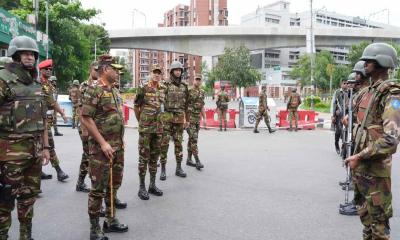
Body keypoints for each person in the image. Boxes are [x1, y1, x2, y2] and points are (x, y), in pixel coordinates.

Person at [345, 43, 400, 240]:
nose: (364, 64)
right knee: (367, 224)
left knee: (379, 229)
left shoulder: (392, 93)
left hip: (375, 173)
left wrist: (359, 156)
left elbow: (391, 140)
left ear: (382, 62)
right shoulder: (370, 91)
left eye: (369, 61)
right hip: (362, 170)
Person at [0, 35, 50, 240]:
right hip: (9, 155)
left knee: (28, 198)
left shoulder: (36, 83)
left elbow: (43, 119)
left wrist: (46, 147)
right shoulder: (3, 80)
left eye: (32, 54)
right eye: (25, 53)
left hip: (34, 152)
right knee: (4, 202)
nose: (30, 57)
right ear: (15, 55)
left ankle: (25, 236)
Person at [80, 54, 128, 239]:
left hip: (117, 147)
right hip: (101, 149)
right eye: (115, 69)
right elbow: (86, 118)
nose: (118, 72)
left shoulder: (114, 91)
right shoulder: (95, 90)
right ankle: (94, 229)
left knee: (113, 185)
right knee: (98, 188)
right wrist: (103, 142)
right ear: (105, 70)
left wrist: (120, 140)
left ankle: (110, 220)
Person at [339, 61, 369, 217]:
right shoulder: (361, 93)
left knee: (366, 178)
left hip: (366, 142)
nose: (355, 78)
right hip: (357, 136)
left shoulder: (369, 93)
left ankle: (360, 204)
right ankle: (357, 203)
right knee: (359, 174)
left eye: (358, 74)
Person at [134, 64, 165, 200]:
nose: (157, 75)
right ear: (151, 73)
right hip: (146, 128)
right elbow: (136, 106)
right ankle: (142, 187)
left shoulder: (163, 89)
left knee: (154, 157)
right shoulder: (143, 88)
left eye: (159, 73)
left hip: (158, 129)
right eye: (155, 72)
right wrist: (141, 121)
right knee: (143, 157)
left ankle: (152, 185)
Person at [38, 59, 69, 181]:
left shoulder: (48, 85)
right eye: (47, 69)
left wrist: (62, 113)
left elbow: (52, 102)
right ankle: (51, 171)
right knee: (39, 146)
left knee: (48, 145)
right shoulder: (37, 83)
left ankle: (58, 171)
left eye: (50, 69)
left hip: (44, 120)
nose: (49, 71)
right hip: (35, 120)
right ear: (41, 70)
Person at [159, 61, 189, 180]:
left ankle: (178, 168)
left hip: (180, 118)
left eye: (180, 70)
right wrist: (160, 119)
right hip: (167, 117)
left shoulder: (184, 86)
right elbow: (160, 102)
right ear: (171, 71)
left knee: (178, 144)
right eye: (176, 70)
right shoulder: (165, 84)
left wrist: (187, 120)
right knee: (164, 144)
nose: (178, 72)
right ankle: (163, 169)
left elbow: (187, 105)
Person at [76, 62, 98, 193]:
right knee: (89, 155)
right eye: (96, 69)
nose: (97, 72)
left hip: (98, 127)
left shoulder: (101, 85)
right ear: (90, 70)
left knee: (91, 156)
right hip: (87, 126)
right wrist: (84, 128)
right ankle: (87, 184)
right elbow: (80, 108)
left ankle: (81, 182)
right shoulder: (84, 86)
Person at [186, 73, 206, 170]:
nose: (197, 81)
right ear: (193, 80)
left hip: (197, 119)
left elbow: (202, 105)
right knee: (194, 139)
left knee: (191, 139)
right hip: (189, 119)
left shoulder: (202, 92)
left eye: (199, 79)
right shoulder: (188, 90)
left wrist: (204, 118)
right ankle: (197, 160)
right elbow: (184, 105)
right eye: (196, 79)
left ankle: (189, 159)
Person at [332, 80, 348, 154]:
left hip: (347, 115)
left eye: (347, 83)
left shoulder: (349, 92)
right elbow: (334, 103)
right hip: (339, 115)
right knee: (339, 131)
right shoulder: (337, 92)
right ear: (341, 84)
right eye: (344, 83)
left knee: (345, 132)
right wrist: (333, 115)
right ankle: (336, 144)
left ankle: (343, 148)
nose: (346, 85)